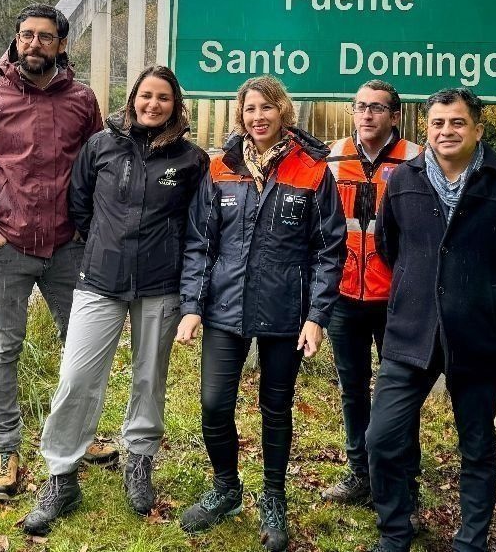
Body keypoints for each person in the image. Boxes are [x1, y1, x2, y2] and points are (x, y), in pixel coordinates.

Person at [21, 66, 210, 534]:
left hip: (160, 284)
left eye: (163, 98)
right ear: (132, 100)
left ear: (176, 105)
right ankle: (62, 475)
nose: (153, 104)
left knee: (149, 377)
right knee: (76, 378)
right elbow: (79, 204)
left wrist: (189, 296)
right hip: (100, 280)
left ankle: (139, 461)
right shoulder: (100, 147)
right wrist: (103, 245)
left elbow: (197, 229)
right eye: (146, 95)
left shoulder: (191, 161)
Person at [366, 88, 496, 552]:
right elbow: (389, 246)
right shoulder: (403, 179)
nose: (447, 131)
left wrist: (487, 294)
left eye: (457, 122)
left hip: (476, 336)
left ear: (477, 128)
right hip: (410, 333)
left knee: (477, 447)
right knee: (382, 438)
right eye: (438, 123)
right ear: (427, 128)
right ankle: (395, 531)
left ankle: (471, 541)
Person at [176, 76, 346, 551]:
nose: (258, 117)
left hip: (285, 312)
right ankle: (227, 488)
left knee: (276, 408)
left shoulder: (312, 170)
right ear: (240, 116)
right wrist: (192, 306)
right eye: (250, 109)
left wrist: (317, 316)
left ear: (283, 112)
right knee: (213, 403)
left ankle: (274, 498)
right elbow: (199, 244)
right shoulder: (218, 169)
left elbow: (329, 250)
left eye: (267, 108)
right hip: (225, 308)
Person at [0, 3, 106, 501]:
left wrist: (88, 230)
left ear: (61, 45)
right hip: (7, 246)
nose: (33, 43)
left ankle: (79, 434)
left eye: (44, 37)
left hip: (67, 247)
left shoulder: (82, 101)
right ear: (15, 41)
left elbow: (99, 166)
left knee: (81, 345)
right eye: (25, 36)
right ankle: (5, 450)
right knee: (3, 348)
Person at [321, 81, 422, 508]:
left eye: (377, 108)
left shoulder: (417, 159)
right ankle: (359, 472)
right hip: (344, 296)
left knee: (400, 395)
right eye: (360, 107)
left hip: (396, 300)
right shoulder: (332, 155)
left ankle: (403, 483)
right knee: (352, 388)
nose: (366, 115)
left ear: (394, 116)